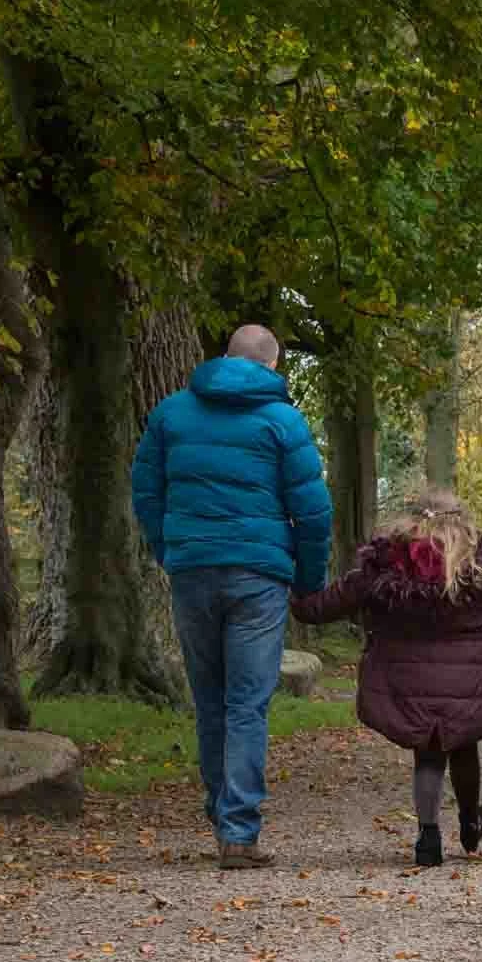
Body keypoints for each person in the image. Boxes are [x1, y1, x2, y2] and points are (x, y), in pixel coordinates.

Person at [132, 324, 333, 870]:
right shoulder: (282, 421)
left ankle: (220, 809)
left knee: (211, 698)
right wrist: (309, 582)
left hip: (192, 569)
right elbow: (313, 511)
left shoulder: (172, 413)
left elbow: (146, 490)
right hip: (258, 576)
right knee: (247, 702)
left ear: (222, 358)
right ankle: (238, 831)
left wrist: (168, 547)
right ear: (271, 366)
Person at [291, 490, 482, 867]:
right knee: (464, 744)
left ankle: (428, 837)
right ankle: (470, 825)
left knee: (427, 754)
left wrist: (294, 594)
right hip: (468, 686)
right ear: (460, 522)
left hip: (407, 685)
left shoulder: (383, 565)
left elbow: (323, 606)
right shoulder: (480, 563)